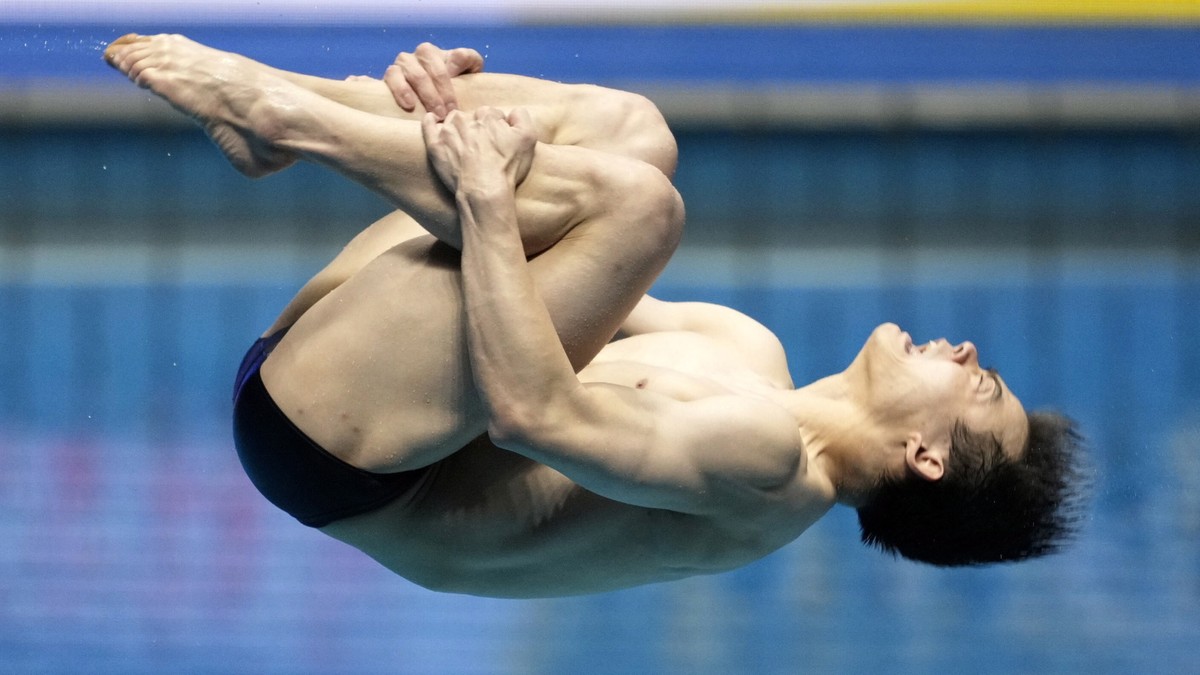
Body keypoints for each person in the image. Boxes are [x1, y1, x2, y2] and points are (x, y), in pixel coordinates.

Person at [104, 34, 1085, 599]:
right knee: (632, 140)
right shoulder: (752, 354)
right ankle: (317, 111)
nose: (965, 350)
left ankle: (293, 119)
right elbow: (561, 258)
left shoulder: (768, 468)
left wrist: (483, 193)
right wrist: (438, 125)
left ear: (925, 455)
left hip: (340, 458)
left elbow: (535, 416)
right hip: (365, 379)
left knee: (641, 207)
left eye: (979, 383)